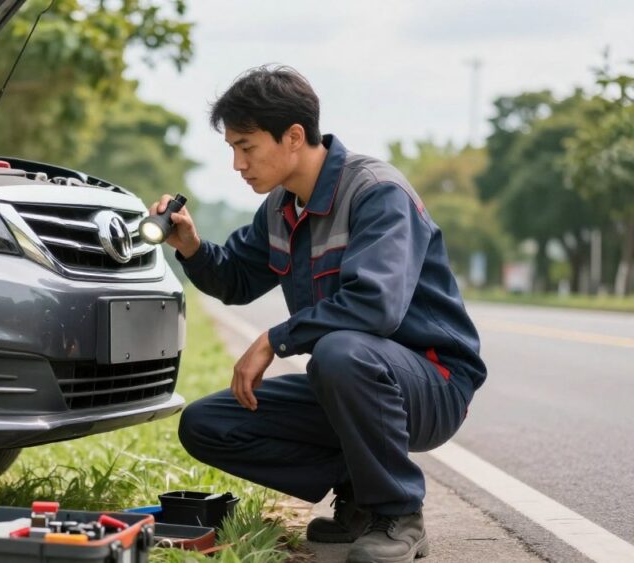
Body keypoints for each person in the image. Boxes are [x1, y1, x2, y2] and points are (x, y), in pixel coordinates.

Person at [150, 65, 486, 563]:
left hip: (432, 382)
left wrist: (272, 339)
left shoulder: (376, 193)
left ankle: (398, 513)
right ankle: (360, 494)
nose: (238, 164)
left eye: (246, 147)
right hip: (351, 381)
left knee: (339, 351)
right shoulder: (282, 208)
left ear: (292, 137)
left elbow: (376, 306)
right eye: (232, 150)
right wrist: (193, 247)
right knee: (207, 423)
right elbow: (237, 280)